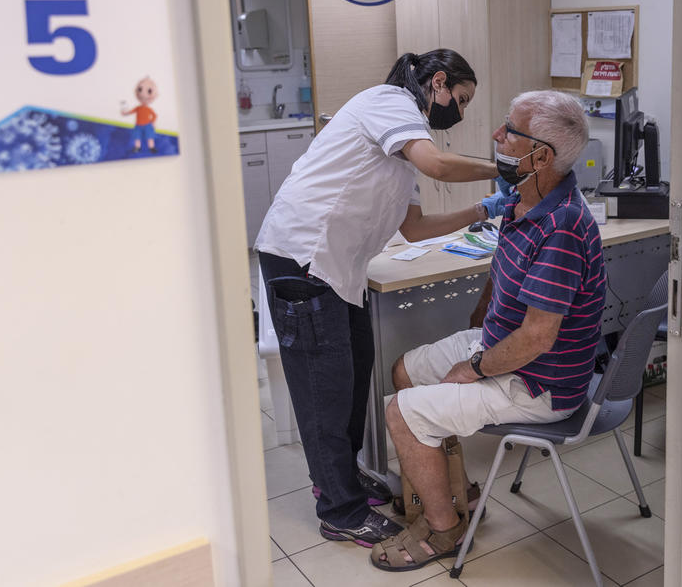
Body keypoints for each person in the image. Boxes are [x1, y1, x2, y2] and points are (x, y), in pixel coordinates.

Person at [255, 49, 496, 548]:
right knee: (325, 391)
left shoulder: (404, 145)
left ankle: (344, 475)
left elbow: (414, 228)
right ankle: (338, 510)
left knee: (352, 374)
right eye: (462, 99)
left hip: (338, 272)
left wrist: (484, 209)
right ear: (439, 82)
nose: (462, 112)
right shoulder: (389, 103)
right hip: (303, 260)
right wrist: (504, 170)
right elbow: (437, 165)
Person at [371, 90, 607, 571]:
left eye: (509, 131)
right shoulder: (525, 198)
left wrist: (474, 367)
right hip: (507, 347)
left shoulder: (561, 225)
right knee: (404, 372)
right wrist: (481, 316)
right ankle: (455, 493)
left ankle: (445, 532)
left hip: (541, 381)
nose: (496, 136)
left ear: (540, 155)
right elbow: (501, 267)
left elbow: (539, 337)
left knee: (402, 412)